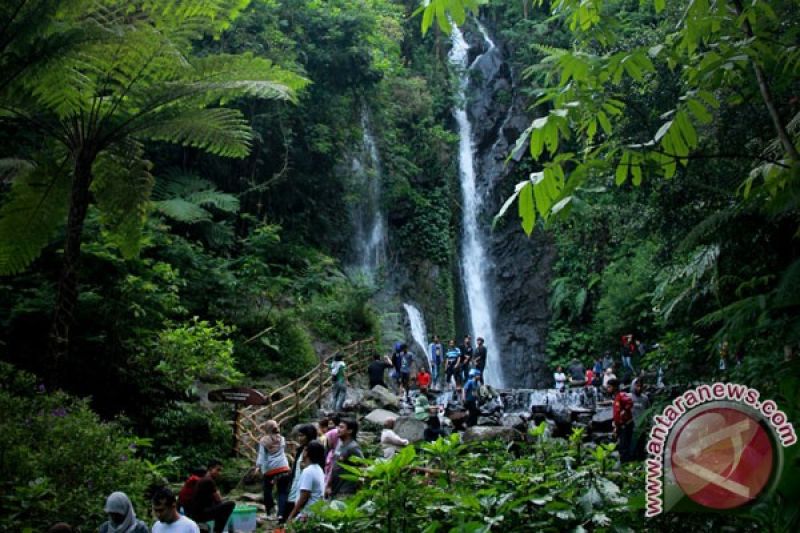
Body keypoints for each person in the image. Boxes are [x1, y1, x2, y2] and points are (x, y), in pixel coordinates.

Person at [256, 420, 291, 521]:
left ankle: (270, 513)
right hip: (284, 467)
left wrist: (258, 466)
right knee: (282, 492)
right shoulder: (282, 439)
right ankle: (281, 514)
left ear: (267, 428)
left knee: (267, 491)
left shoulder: (263, 440)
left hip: (270, 470)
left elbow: (261, 455)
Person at [189, 460, 235, 533]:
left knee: (220, 506)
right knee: (230, 504)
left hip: (197, 512)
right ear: (210, 469)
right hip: (200, 514)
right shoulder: (208, 480)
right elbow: (219, 499)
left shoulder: (204, 479)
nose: (219, 473)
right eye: (218, 470)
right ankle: (217, 531)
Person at [287, 424, 319, 523]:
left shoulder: (314, 451)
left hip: (304, 489)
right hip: (296, 486)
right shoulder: (301, 449)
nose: (299, 438)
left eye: (302, 435)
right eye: (299, 436)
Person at [326, 419, 364, 499]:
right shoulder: (340, 445)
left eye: (341, 427)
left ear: (350, 431)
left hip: (346, 491)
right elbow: (335, 466)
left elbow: (363, 467)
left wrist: (359, 488)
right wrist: (329, 485)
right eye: (338, 427)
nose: (338, 430)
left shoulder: (353, 447)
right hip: (335, 489)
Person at [607, 378, 634, 462]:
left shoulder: (621, 395)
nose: (608, 389)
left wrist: (624, 411)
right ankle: (624, 462)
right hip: (620, 425)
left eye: (609, 387)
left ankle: (626, 463)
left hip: (625, 425)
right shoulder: (616, 397)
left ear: (614, 387)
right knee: (622, 445)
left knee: (624, 445)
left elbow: (630, 402)